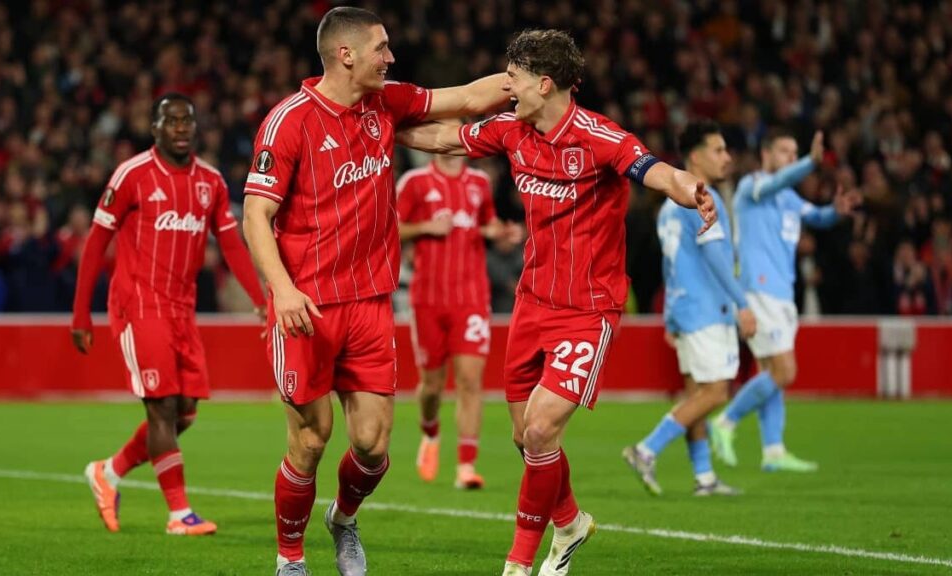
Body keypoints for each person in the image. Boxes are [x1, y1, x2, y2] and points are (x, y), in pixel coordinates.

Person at [397, 29, 716, 576]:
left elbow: (655, 170)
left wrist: (690, 188)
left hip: (588, 308)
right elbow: (446, 139)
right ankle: (569, 522)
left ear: (544, 84)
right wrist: (378, 126)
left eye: (513, 77)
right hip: (532, 301)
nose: (507, 87)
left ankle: (520, 563)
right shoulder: (511, 130)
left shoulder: (599, 137)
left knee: (542, 429)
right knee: (524, 437)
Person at [239, 7, 509, 576]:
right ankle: (290, 558)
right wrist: (281, 290)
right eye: (381, 48)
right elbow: (255, 215)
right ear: (346, 55)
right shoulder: (289, 122)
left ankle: (343, 519)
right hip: (306, 306)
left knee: (372, 444)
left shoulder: (384, 103)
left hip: (369, 302)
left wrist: (527, 80)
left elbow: (464, 97)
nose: (390, 57)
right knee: (311, 440)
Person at [72, 93, 266, 536]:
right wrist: (80, 314)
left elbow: (231, 243)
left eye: (187, 121)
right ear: (155, 128)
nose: (180, 128)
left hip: (182, 309)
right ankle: (179, 514)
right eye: (171, 121)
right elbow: (96, 242)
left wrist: (260, 298)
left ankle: (107, 472)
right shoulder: (133, 175)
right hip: (139, 304)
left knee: (185, 413)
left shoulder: (211, 181)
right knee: (161, 408)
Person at [709, 128, 861, 472]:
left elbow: (816, 217)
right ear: (766, 154)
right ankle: (725, 422)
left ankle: (774, 451)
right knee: (785, 371)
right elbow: (777, 181)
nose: (791, 158)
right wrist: (810, 162)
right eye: (785, 152)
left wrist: (835, 211)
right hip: (759, 290)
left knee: (771, 375)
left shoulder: (789, 198)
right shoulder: (752, 187)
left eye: (795, 153)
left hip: (782, 292)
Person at [622, 120, 753, 497]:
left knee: (697, 395)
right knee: (715, 393)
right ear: (695, 157)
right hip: (706, 309)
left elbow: (671, 264)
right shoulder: (702, 197)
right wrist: (743, 304)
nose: (726, 157)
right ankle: (646, 450)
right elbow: (715, 257)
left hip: (684, 309)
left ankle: (704, 477)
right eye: (718, 150)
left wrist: (670, 316)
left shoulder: (670, 204)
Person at [396, 153, 522, 489]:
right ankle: (430, 431)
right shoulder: (415, 182)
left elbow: (487, 223)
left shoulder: (480, 182)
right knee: (431, 386)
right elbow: (389, 227)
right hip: (428, 299)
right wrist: (426, 227)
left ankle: (466, 466)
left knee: (470, 381)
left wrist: (501, 233)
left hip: (471, 298)